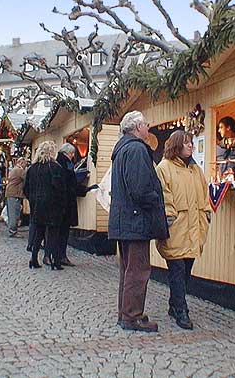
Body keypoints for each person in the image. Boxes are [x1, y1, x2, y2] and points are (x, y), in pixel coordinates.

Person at [108, 111, 168, 333]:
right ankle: (132, 317)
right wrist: (156, 198)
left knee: (128, 269)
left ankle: (125, 313)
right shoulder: (136, 149)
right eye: (146, 124)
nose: (149, 127)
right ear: (137, 127)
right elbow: (140, 188)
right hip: (135, 221)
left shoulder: (123, 149)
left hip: (124, 221)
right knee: (138, 269)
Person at [155, 130, 211, 330]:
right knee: (177, 271)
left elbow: (204, 193)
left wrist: (206, 212)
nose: (191, 146)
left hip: (194, 228)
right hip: (176, 228)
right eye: (186, 143)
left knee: (186, 270)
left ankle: (173, 304)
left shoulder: (196, 170)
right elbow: (163, 195)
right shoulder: (164, 168)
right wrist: (170, 217)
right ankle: (182, 311)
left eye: (191, 143)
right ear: (176, 145)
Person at [24, 141, 66, 270]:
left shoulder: (32, 168)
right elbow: (60, 188)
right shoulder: (55, 167)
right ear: (52, 152)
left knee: (39, 232)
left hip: (37, 205)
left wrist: (32, 199)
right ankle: (55, 260)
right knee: (53, 233)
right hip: (52, 205)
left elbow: (26, 188)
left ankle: (34, 259)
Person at [54, 143, 98, 266]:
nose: (73, 156)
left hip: (62, 203)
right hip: (65, 203)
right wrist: (84, 189)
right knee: (63, 231)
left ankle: (56, 255)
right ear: (66, 153)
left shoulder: (60, 163)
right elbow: (70, 184)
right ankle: (60, 256)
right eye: (72, 153)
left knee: (59, 231)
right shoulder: (66, 165)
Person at [5, 157, 28, 238]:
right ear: (21, 163)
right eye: (26, 164)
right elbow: (27, 178)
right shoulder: (20, 170)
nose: (26, 165)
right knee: (14, 213)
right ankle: (13, 231)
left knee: (11, 213)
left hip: (10, 193)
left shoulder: (14, 169)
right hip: (14, 194)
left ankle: (12, 229)